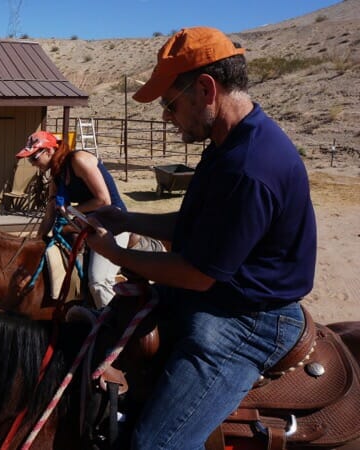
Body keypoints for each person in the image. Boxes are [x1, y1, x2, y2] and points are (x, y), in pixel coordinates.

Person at [80, 27, 316, 448]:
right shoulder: (227, 144)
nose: (167, 118)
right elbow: (194, 227)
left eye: (170, 104)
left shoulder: (250, 166)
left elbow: (197, 273)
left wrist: (114, 252)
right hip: (218, 295)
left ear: (206, 89)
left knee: (154, 445)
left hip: (249, 319)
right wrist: (125, 220)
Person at [16, 130, 128, 308]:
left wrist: (71, 210)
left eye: (34, 158)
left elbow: (103, 200)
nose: (32, 164)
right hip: (90, 223)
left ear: (49, 151)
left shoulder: (79, 160)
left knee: (98, 282)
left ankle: (113, 328)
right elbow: (49, 215)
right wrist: (37, 242)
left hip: (113, 223)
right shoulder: (57, 175)